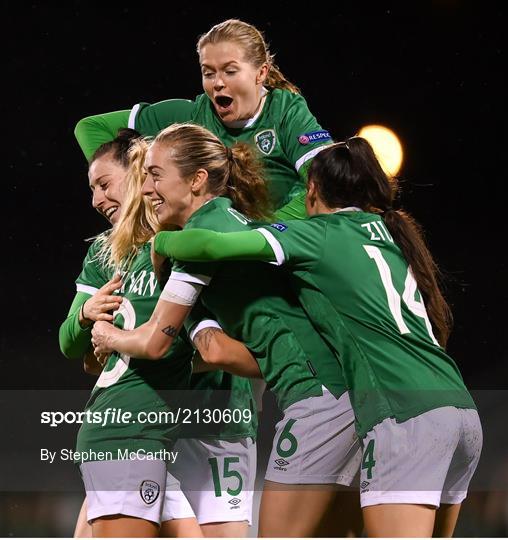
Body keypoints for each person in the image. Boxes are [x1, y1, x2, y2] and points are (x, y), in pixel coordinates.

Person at [150, 136, 483, 537]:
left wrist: (159, 242)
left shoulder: (319, 233)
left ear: (311, 190)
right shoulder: (393, 235)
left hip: (401, 410)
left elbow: (206, 244)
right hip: (460, 409)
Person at [91, 123, 363, 537]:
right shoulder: (237, 220)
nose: (145, 189)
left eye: (156, 175)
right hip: (354, 397)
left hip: (317, 402)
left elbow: (155, 342)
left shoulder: (197, 239)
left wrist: (106, 337)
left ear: (197, 180)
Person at [60, 131, 254, 538]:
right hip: (143, 424)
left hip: (212, 420)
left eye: (104, 184)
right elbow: (81, 352)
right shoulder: (109, 253)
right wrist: (86, 319)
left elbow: (171, 343)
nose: (96, 200)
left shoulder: (188, 240)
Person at [74, 18, 334, 220]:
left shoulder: (285, 111)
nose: (218, 83)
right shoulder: (190, 116)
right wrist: (129, 189)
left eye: (230, 71)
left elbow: (327, 183)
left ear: (261, 72)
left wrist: (262, 232)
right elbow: (91, 128)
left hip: (278, 252)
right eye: (208, 73)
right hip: (213, 250)